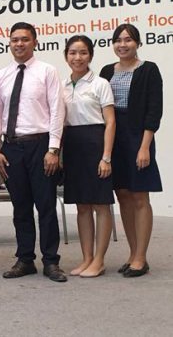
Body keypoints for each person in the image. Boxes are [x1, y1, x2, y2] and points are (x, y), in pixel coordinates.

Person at [0, 22, 67, 282]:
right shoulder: (1, 76)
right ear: (9, 43)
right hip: (11, 148)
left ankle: (51, 261)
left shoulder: (47, 71)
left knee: (46, 205)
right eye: (14, 40)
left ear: (35, 42)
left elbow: (57, 111)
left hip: (41, 146)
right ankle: (25, 259)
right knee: (20, 207)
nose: (19, 44)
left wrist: (53, 149)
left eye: (24, 39)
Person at [99, 23, 163, 277]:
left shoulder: (149, 70)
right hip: (114, 137)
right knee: (123, 195)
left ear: (138, 43)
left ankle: (141, 257)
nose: (122, 44)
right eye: (118, 40)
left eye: (128, 39)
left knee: (139, 196)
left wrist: (145, 146)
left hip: (138, 137)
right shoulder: (106, 71)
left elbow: (154, 111)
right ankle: (133, 253)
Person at [62, 35, 116, 278]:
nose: (78, 57)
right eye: (73, 53)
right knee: (82, 206)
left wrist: (106, 157)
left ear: (91, 56)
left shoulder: (100, 83)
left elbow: (110, 122)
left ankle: (99, 260)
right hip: (73, 146)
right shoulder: (62, 85)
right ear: (66, 56)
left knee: (101, 204)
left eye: (83, 52)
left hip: (96, 144)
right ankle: (87, 258)